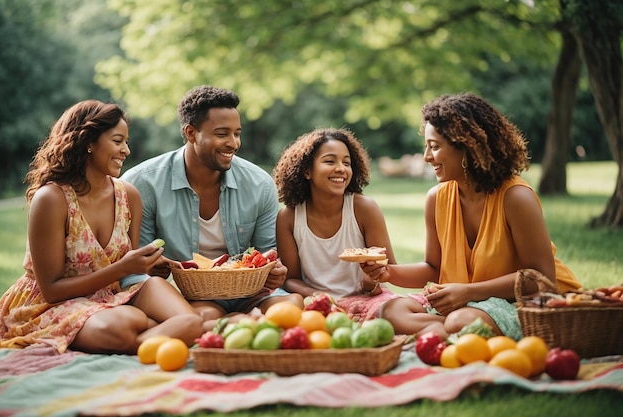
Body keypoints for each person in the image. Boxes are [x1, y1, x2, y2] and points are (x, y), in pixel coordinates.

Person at [0, 100, 205, 354]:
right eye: (118, 141)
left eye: (126, 142)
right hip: (50, 304)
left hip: (112, 295)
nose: (126, 150)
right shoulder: (52, 199)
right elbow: (51, 290)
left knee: (192, 320)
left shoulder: (128, 195)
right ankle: (150, 336)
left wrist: (147, 265)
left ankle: (141, 339)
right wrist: (123, 268)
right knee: (123, 325)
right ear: (88, 143)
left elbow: (130, 272)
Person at [369, 92, 582, 339]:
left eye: (435, 147)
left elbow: (542, 279)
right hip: (466, 303)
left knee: (461, 320)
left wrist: (468, 292)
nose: (427, 157)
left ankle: (447, 331)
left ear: (467, 147)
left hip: (525, 302)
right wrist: (388, 273)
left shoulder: (515, 197)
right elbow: (433, 268)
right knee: (390, 310)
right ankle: (447, 332)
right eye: (426, 147)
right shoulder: (436, 198)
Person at [121, 85, 303, 320]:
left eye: (237, 133)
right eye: (222, 134)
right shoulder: (142, 183)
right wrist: (153, 267)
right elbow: (136, 271)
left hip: (250, 293)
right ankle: (239, 324)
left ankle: (240, 323)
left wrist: (273, 272)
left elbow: (266, 254)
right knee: (206, 316)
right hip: (191, 296)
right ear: (190, 133)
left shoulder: (259, 184)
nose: (233, 143)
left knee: (292, 305)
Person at [272, 127, 400, 321]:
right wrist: (318, 296)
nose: (341, 168)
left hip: (366, 300)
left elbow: (390, 269)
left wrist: (372, 280)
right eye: (330, 161)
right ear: (307, 171)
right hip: (316, 303)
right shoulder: (288, 218)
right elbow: (290, 280)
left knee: (395, 314)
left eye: (346, 163)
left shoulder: (364, 208)